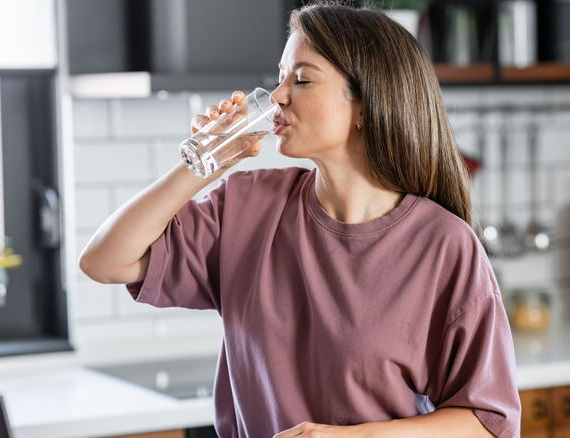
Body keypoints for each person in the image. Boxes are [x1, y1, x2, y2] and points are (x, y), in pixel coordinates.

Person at [79, 2, 521, 437]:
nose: (276, 97)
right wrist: (202, 162)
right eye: (279, 77)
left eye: (302, 79)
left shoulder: (444, 246)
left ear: (367, 105)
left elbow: (489, 422)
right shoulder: (248, 206)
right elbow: (104, 261)